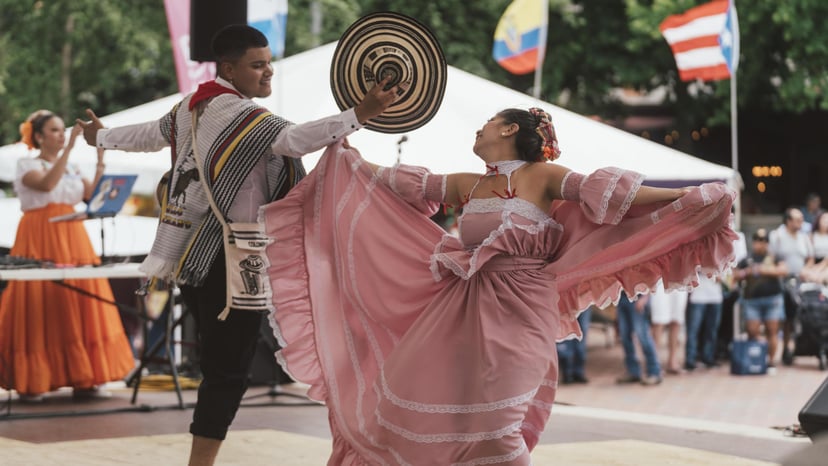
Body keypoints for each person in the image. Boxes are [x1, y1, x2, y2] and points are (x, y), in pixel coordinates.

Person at [260, 107, 737, 464]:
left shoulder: (543, 176)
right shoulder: (470, 185)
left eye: (488, 122)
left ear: (510, 130)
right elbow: (382, 181)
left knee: (500, 424)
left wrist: (683, 196)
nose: (479, 128)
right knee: (456, 413)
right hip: (464, 308)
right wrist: (346, 154)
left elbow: (616, 195)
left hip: (525, 308)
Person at [76, 25, 401, 466]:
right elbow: (294, 140)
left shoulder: (195, 105)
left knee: (224, 367)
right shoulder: (237, 113)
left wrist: (101, 137)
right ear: (230, 68)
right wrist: (358, 113)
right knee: (228, 371)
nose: (268, 73)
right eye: (257, 65)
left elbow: (149, 134)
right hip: (228, 258)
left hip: (190, 256)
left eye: (269, 63)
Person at [0, 110, 135, 402]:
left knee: (79, 300)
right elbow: (47, 184)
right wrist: (71, 146)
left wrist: (100, 157)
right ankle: (33, 379)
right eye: (55, 130)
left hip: (73, 236)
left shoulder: (71, 168)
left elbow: (91, 195)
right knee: (38, 302)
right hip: (40, 235)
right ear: (38, 136)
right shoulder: (26, 164)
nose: (61, 135)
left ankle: (86, 376)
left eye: (63, 130)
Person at [734, 228, 788, 369]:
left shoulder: (774, 257)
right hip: (752, 300)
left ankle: (771, 362)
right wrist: (747, 272)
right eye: (758, 240)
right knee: (752, 331)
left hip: (773, 299)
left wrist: (763, 270)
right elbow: (734, 275)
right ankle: (757, 357)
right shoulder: (747, 259)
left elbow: (783, 270)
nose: (760, 244)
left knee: (772, 330)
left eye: (764, 241)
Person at [769, 207, 815, 365]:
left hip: (800, 282)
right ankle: (779, 350)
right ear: (788, 221)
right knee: (783, 317)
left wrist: (806, 269)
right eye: (797, 220)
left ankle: (792, 348)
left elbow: (810, 258)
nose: (800, 223)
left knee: (796, 316)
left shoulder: (804, 237)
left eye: (801, 219)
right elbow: (771, 258)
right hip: (782, 281)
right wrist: (779, 265)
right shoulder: (777, 236)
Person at [615, 291, 663, 385]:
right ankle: (633, 371)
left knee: (643, 336)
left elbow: (651, 277)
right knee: (625, 336)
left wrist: (645, 297)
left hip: (638, 296)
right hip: (622, 297)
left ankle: (654, 372)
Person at [686, 275, 724, 370]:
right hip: (698, 296)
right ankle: (690, 359)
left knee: (712, 330)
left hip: (715, 296)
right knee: (693, 329)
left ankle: (708, 357)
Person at [649, 279, 687, 374]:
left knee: (677, 319)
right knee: (659, 320)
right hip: (659, 279)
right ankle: (654, 362)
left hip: (680, 277)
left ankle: (672, 361)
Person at [557, 306, 592, 384]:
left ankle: (578, 372)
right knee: (566, 334)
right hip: (565, 301)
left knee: (581, 335)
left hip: (582, 301)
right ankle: (567, 372)